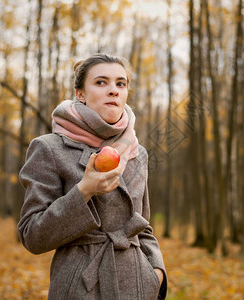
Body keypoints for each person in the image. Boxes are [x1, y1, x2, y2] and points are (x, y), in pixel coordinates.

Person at [17, 53, 167, 299]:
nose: (113, 90)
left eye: (121, 83)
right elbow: (32, 235)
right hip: (81, 286)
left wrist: (156, 273)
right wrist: (84, 191)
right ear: (81, 94)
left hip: (138, 286)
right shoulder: (49, 148)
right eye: (101, 82)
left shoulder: (136, 152)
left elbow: (143, 226)